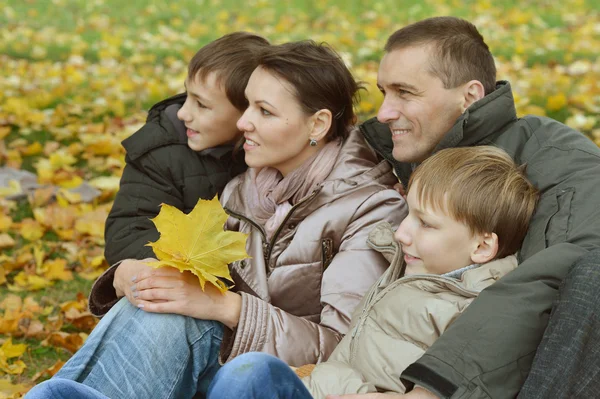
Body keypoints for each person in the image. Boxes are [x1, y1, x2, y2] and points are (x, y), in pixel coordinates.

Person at [26, 41, 406, 399]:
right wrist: (144, 277)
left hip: (299, 382)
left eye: (265, 111)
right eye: (247, 108)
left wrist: (227, 308)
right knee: (160, 301)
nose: (243, 124)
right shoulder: (241, 191)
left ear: (318, 125)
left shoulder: (370, 209)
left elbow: (347, 348)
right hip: (228, 362)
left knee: (185, 317)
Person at [355, 16, 600, 399]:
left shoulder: (557, 160)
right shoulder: (397, 158)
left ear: (469, 96)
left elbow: (563, 280)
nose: (384, 113)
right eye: (383, 91)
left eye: (404, 92)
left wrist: (432, 390)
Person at [205, 145, 539, 399]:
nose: (401, 232)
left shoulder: (475, 312)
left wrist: (326, 380)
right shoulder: (410, 268)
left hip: (330, 389)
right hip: (321, 383)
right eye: (409, 213)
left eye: (426, 224)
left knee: (249, 373)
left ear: (482, 247)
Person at [93, 31, 269, 316]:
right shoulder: (161, 152)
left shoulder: (272, 154)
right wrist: (170, 271)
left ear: (248, 113)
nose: (183, 113)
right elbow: (128, 230)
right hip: (181, 291)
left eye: (201, 105)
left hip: (250, 305)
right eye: (188, 95)